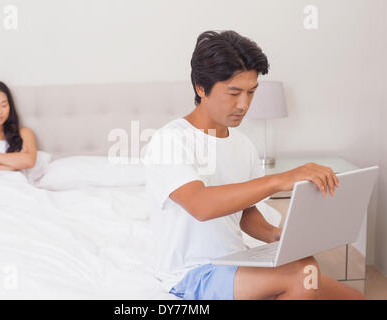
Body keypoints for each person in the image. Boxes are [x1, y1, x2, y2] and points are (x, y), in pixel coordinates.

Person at [144, 30, 365, 300]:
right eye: (234, 93)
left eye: (251, 92)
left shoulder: (242, 144)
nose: (244, 105)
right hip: (192, 274)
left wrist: (276, 235)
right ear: (201, 88)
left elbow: (246, 213)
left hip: (235, 263)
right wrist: (279, 179)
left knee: (353, 296)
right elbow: (201, 205)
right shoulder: (170, 140)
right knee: (301, 275)